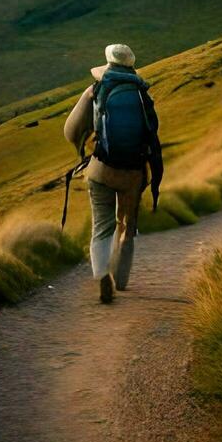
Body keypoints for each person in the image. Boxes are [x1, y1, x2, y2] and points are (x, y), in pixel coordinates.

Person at [63, 44, 163, 304]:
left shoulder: (95, 89)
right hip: (134, 173)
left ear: (108, 64)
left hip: (102, 170)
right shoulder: (142, 94)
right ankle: (121, 279)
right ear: (131, 66)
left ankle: (101, 275)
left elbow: (71, 130)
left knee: (101, 225)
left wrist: (81, 147)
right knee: (127, 225)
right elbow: (152, 133)